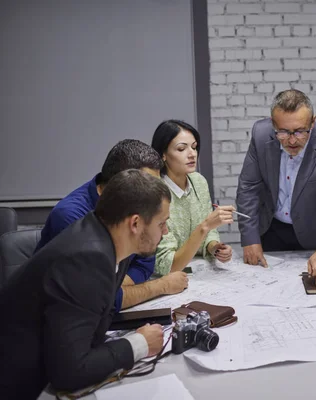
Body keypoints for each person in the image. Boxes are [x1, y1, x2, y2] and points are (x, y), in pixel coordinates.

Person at [0, 170, 170, 399]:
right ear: (136, 223)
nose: (166, 231)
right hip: (22, 385)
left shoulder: (110, 239)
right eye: (162, 223)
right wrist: (139, 344)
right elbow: (70, 372)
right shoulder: (87, 260)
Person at [35, 139, 188, 311]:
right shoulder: (71, 217)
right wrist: (160, 286)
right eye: (148, 185)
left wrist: (114, 288)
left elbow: (144, 263)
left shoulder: (133, 209)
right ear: (122, 182)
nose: (155, 194)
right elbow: (95, 299)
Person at [236, 89, 316, 287]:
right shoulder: (260, 134)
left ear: (313, 122)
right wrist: (249, 238)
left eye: (300, 131)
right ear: (273, 124)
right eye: (283, 132)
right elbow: (248, 188)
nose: (292, 140)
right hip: (271, 228)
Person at [151, 120, 235, 275]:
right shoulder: (155, 192)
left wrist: (214, 247)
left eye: (194, 147)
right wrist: (206, 226)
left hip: (198, 272)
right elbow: (166, 265)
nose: (192, 154)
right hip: (166, 279)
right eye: (182, 149)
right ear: (163, 154)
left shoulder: (198, 181)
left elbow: (209, 232)